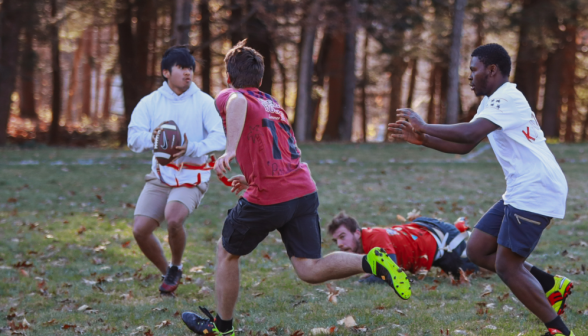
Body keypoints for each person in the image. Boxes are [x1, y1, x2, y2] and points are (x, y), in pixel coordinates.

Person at [180, 40, 411, 336]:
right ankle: (372, 262)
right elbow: (278, 150)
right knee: (309, 268)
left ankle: (222, 329)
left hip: (269, 198)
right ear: (260, 79)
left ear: (228, 78)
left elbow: (236, 103)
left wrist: (230, 151)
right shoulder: (272, 104)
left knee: (226, 252)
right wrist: (249, 178)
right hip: (303, 191)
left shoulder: (230, 95)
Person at [388, 43, 574, 336]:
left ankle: (559, 331)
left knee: (507, 267)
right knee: (477, 249)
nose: (470, 77)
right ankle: (551, 286)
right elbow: (466, 145)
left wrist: (424, 126)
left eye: (473, 70)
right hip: (520, 190)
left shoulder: (508, 97)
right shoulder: (491, 103)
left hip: (537, 189)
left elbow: (469, 133)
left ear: (491, 70)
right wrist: (423, 139)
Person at [127, 46, 226, 295]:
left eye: (190, 68)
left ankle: (177, 262)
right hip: (161, 175)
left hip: (193, 175)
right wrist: (157, 140)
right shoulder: (150, 102)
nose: (187, 73)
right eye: (181, 68)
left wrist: (191, 147)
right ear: (165, 72)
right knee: (140, 229)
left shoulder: (204, 101)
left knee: (173, 218)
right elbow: (133, 138)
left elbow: (220, 138)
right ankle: (170, 271)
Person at [328, 212, 478, 282]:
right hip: (424, 237)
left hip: (442, 240)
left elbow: (391, 271)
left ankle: (467, 234)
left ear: (357, 233)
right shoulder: (366, 241)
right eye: (336, 241)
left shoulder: (374, 237)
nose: (340, 244)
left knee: (476, 267)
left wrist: (365, 281)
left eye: (342, 237)